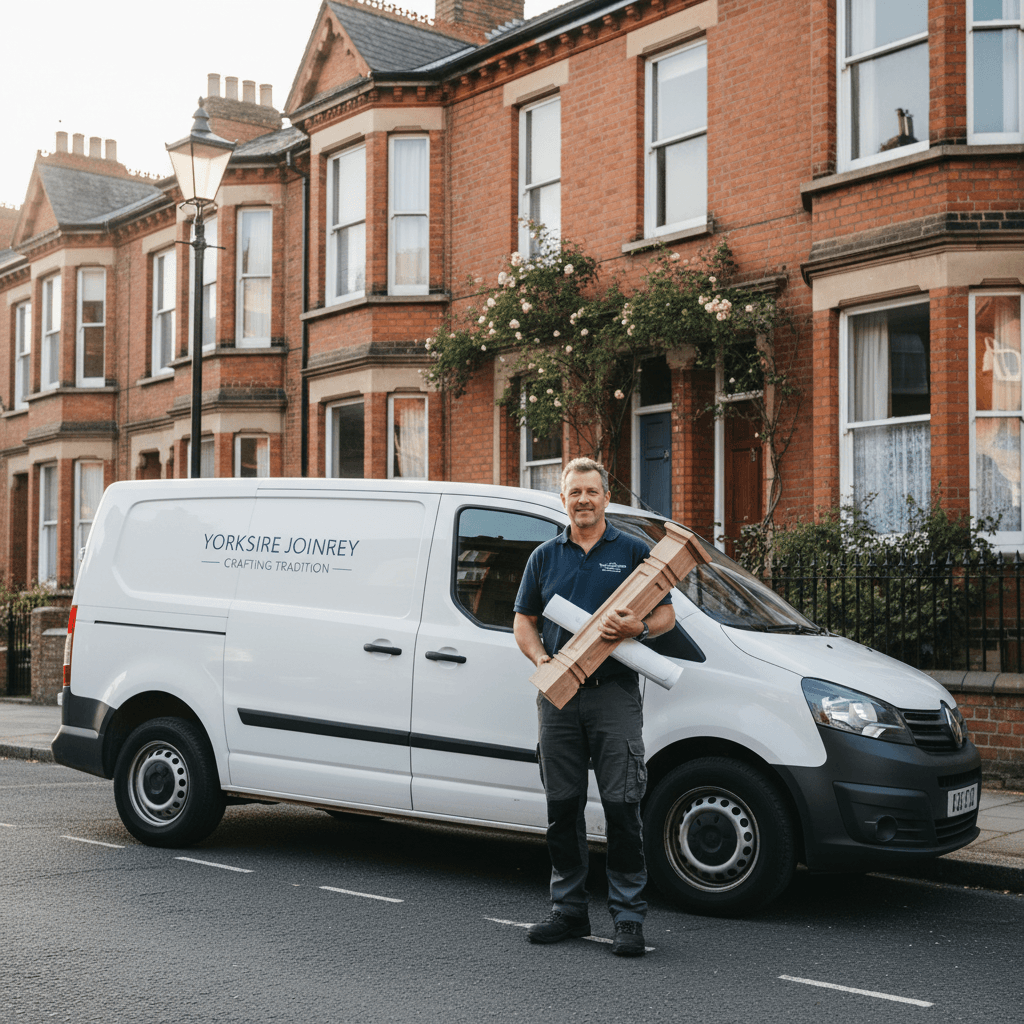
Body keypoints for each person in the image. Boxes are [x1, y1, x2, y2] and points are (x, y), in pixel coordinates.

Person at [513, 457, 676, 957]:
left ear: (606, 498)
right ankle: (569, 911)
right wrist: (544, 660)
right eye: (574, 492)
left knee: (623, 807)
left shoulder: (632, 552)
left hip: (614, 695)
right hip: (559, 697)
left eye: (591, 491)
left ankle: (627, 918)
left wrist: (638, 628)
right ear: (563, 500)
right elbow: (524, 622)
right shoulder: (544, 556)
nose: (583, 499)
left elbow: (668, 616)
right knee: (562, 808)